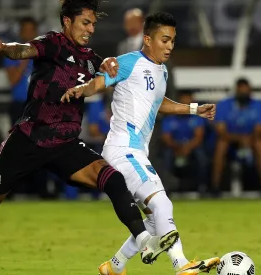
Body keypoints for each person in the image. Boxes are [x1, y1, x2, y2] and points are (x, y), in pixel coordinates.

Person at [0, 1, 178, 274]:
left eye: (93, 24)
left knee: (112, 177)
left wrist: (110, 62)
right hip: (29, 139)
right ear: (67, 21)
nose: (90, 29)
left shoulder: (90, 59)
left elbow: (107, 71)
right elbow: (24, 49)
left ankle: (144, 239)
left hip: (64, 144)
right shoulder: (53, 43)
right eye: (85, 23)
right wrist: (4, 47)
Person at [61, 12, 219, 275]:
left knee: (156, 223)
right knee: (162, 204)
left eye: (173, 41)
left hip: (134, 151)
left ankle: (114, 266)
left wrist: (194, 109)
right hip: (124, 150)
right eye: (164, 40)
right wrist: (82, 89)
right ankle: (181, 265)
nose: (169, 46)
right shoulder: (129, 62)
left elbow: (159, 103)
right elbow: (99, 83)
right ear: (147, 39)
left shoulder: (162, 71)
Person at [212, 78, 261, 196]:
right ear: (236, 91)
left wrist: (247, 140)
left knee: (260, 144)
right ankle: (215, 186)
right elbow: (221, 130)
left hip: (251, 140)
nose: (244, 94)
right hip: (230, 141)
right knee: (221, 144)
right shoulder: (225, 105)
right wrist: (239, 139)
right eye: (241, 91)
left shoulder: (257, 105)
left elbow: (259, 129)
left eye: (246, 91)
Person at [161, 91, 208, 192]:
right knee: (166, 157)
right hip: (174, 147)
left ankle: (202, 187)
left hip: (192, 146)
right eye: (183, 102)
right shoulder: (169, 118)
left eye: (189, 102)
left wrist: (187, 148)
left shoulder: (196, 118)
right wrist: (177, 148)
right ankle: (165, 188)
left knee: (202, 157)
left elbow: (199, 137)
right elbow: (166, 138)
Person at [4, 17, 38, 125]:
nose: (28, 34)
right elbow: (13, 80)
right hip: (20, 105)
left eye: (31, 30)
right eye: (25, 30)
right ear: (20, 32)